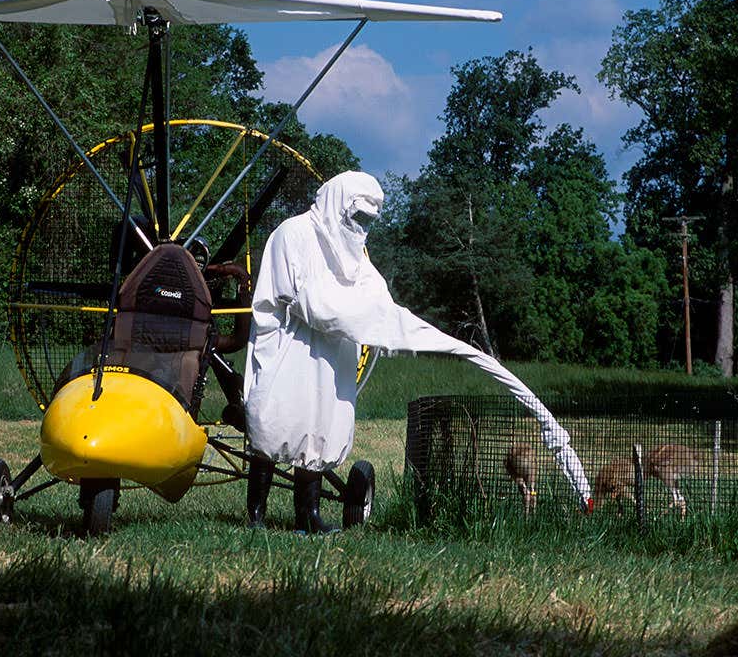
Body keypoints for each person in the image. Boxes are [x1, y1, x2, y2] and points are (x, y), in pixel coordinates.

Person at [243, 171, 593, 534]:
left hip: (331, 358)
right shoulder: (293, 234)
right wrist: (362, 316)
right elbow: (306, 302)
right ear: (339, 203)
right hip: (292, 348)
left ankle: (308, 516)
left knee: (319, 429)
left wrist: (391, 322)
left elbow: (376, 299)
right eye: (357, 216)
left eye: (367, 220)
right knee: (276, 422)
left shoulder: (354, 253)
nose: (361, 226)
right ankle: (256, 516)